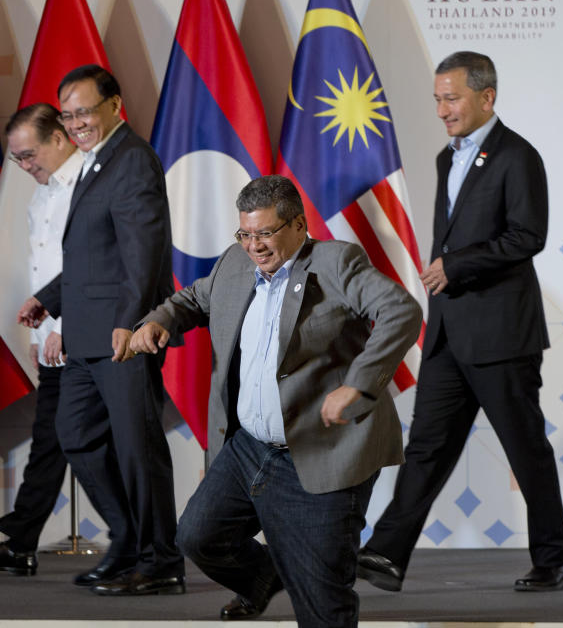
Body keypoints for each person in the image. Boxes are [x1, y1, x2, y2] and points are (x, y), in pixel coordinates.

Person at [126, 175, 422, 626]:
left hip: (322, 449)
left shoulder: (336, 262)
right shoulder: (235, 263)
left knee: (322, 604)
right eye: (245, 233)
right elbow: (193, 299)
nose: (254, 245)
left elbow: (402, 310)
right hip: (249, 448)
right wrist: (160, 319)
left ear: (299, 224)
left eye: (265, 233)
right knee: (198, 536)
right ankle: (267, 581)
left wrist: (360, 384)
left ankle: (302, 584)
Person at [356, 51, 563, 593]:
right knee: (427, 446)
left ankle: (554, 562)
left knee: (525, 449)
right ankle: (385, 553)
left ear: (487, 97)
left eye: (451, 98)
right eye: (437, 99)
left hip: (502, 335)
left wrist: (456, 265)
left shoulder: (518, 157)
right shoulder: (444, 158)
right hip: (450, 334)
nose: (442, 110)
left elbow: (529, 236)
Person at [17, 65, 183, 596]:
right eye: (68, 114)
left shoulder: (133, 160)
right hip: (85, 336)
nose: (76, 122)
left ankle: (160, 561)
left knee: (138, 448)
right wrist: (49, 299)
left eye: (85, 110)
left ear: (115, 106)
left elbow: (143, 252)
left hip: (121, 339)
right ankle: (130, 542)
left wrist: (130, 324)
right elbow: (93, 256)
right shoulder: (94, 162)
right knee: (77, 436)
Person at [0, 103, 81, 577]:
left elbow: (91, 270)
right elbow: (45, 268)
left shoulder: (87, 189)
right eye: (18, 160)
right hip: (56, 341)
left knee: (104, 449)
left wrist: (65, 327)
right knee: (49, 440)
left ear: (59, 138)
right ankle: (20, 543)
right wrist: (44, 330)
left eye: (30, 155)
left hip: (87, 338)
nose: (26, 167)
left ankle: (149, 552)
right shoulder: (40, 196)